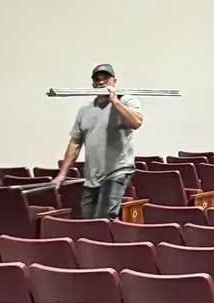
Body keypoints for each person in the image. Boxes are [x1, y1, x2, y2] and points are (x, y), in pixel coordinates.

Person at [51, 64, 145, 218]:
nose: (101, 83)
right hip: (92, 176)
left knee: (103, 219)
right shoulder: (85, 110)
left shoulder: (127, 101)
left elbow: (136, 123)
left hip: (117, 171)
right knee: (87, 222)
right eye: (97, 80)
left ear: (114, 81)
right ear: (93, 84)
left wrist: (115, 101)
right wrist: (62, 175)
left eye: (105, 79)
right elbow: (75, 142)